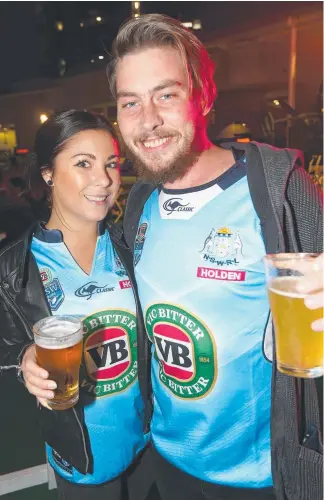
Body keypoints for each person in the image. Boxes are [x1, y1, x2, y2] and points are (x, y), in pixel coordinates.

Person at [106, 14, 324, 500]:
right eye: (131, 103)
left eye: (166, 94)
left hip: (259, 479)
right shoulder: (139, 203)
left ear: (202, 95)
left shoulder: (279, 192)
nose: (149, 121)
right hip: (166, 459)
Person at [0, 110, 157, 500]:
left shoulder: (133, 247)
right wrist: (23, 360)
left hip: (152, 447)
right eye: (83, 164)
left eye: (111, 164)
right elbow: (5, 348)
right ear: (48, 172)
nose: (103, 180)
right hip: (83, 461)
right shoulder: (14, 266)